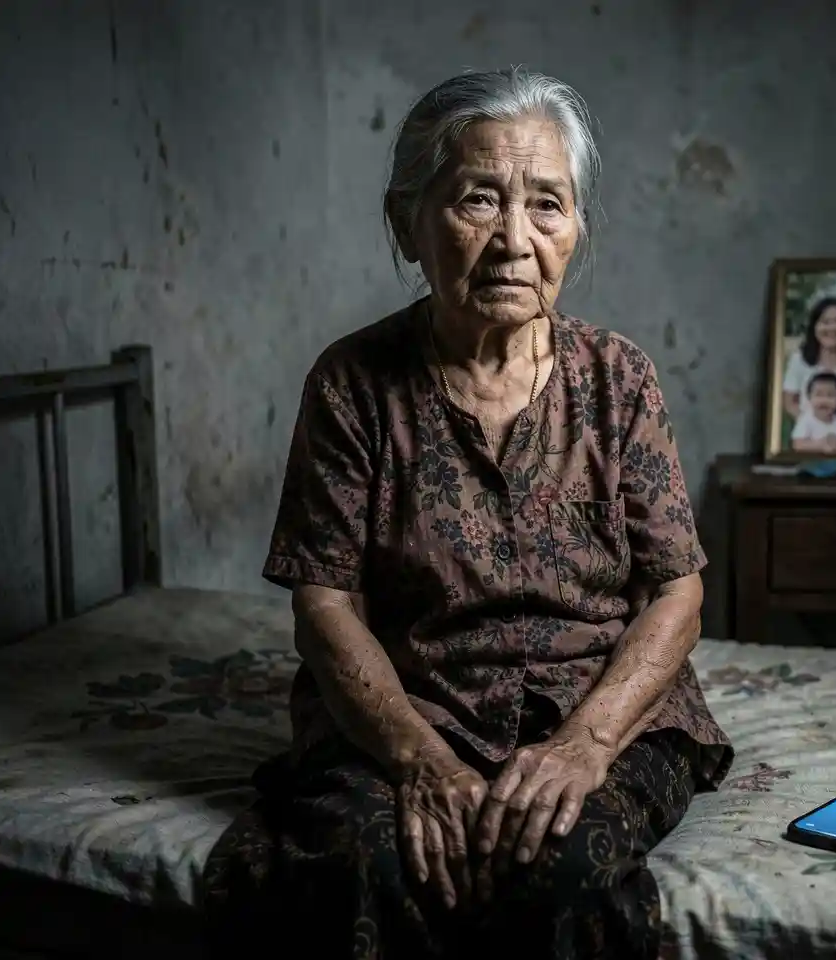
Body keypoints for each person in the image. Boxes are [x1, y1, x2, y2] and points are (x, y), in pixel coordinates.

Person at [202, 68, 733, 960]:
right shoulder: (352, 385)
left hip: (592, 702)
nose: (513, 242)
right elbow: (324, 603)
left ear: (579, 230)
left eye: (547, 206)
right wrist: (420, 759)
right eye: (478, 200)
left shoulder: (619, 379)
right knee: (369, 861)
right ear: (408, 222)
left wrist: (584, 747)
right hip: (416, 707)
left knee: (563, 865)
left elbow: (677, 591)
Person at [780, 296, 836, 420]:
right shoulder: (799, 359)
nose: (832, 328)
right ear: (814, 327)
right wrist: (815, 428)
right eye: (825, 322)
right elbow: (790, 403)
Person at [790, 371, 836, 454]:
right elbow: (797, 445)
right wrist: (821, 445)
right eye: (818, 395)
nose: (824, 400)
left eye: (830, 395)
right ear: (809, 398)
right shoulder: (806, 419)